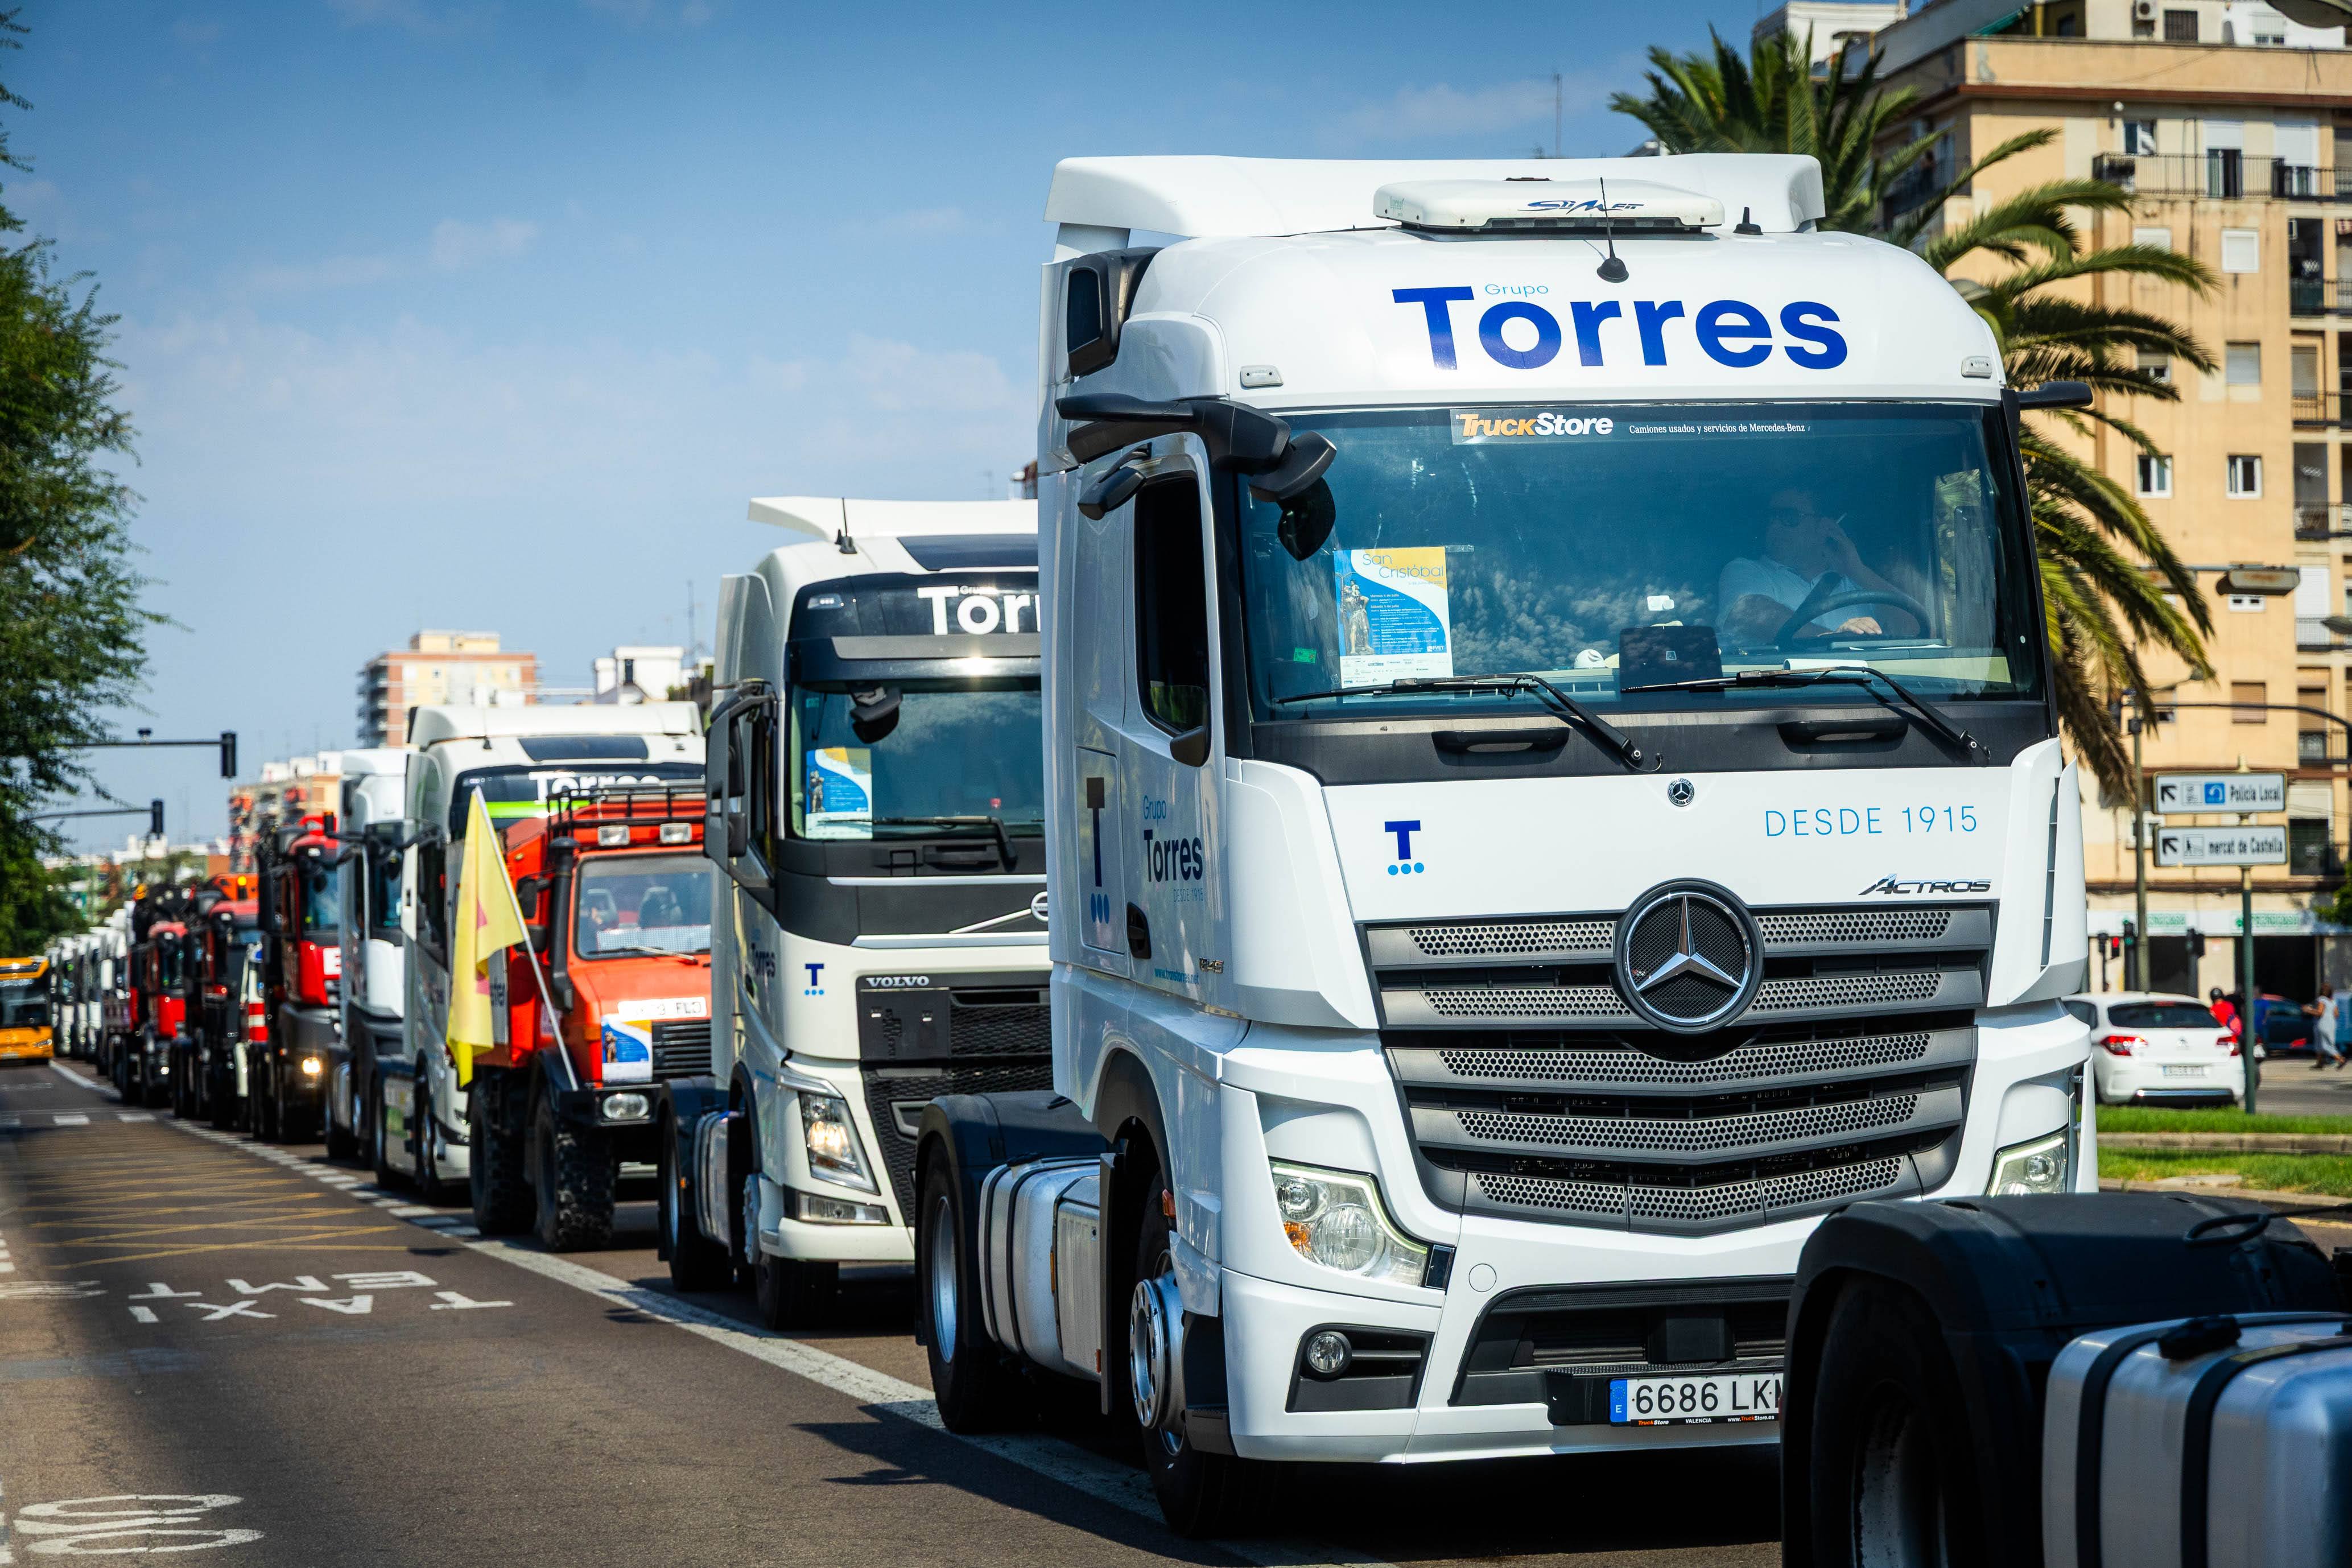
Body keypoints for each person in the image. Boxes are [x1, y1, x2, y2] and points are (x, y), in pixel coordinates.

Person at [1717, 489, 1925, 647]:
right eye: (1770, 517)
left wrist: (1857, 569)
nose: (1774, 525)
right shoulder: (1746, 571)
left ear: (1825, 526)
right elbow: (1753, 616)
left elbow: (1913, 630)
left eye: (1788, 517)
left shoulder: (1857, 582)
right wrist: (1835, 639)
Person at [2314, 985, 2345, 1069]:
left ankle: (2341, 1059)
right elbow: (2337, 1014)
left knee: (2325, 1045)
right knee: (2321, 1044)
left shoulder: (2321, 1000)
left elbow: (2319, 1013)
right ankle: (2319, 1064)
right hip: (2332, 1025)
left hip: (2322, 1024)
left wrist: (2309, 1010)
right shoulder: (2333, 1002)